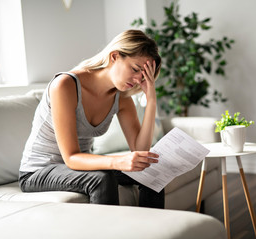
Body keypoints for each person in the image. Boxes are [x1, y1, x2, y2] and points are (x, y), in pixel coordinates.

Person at [19, 29, 164, 208]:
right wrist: (118, 161)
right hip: (38, 171)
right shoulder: (65, 85)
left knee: (152, 173)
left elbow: (140, 150)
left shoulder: (122, 97)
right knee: (102, 178)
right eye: (135, 69)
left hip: (78, 167)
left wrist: (151, 100)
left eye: (143, 76)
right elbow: (71, 157)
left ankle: (151, 232)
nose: (136, 80)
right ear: (114, 56)